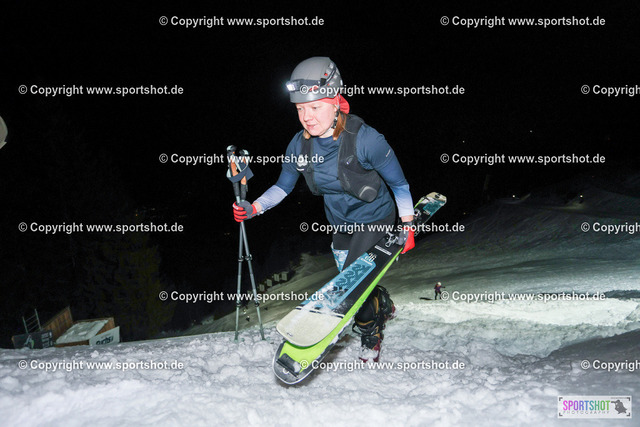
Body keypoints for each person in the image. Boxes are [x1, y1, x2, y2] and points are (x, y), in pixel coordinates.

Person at [232, 57, 415, 362]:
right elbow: (283, 186)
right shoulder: (299, 146)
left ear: (335, 102)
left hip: (375, 218)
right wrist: (254, 207)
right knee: (351, 277)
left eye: (315, 107)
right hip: (340, 223)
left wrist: (407, 226)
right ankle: (380, 301)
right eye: (300, 109)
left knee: (351, 286)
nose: (307, 117)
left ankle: (371, 331)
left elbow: (399, 184)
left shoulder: (366, 140)